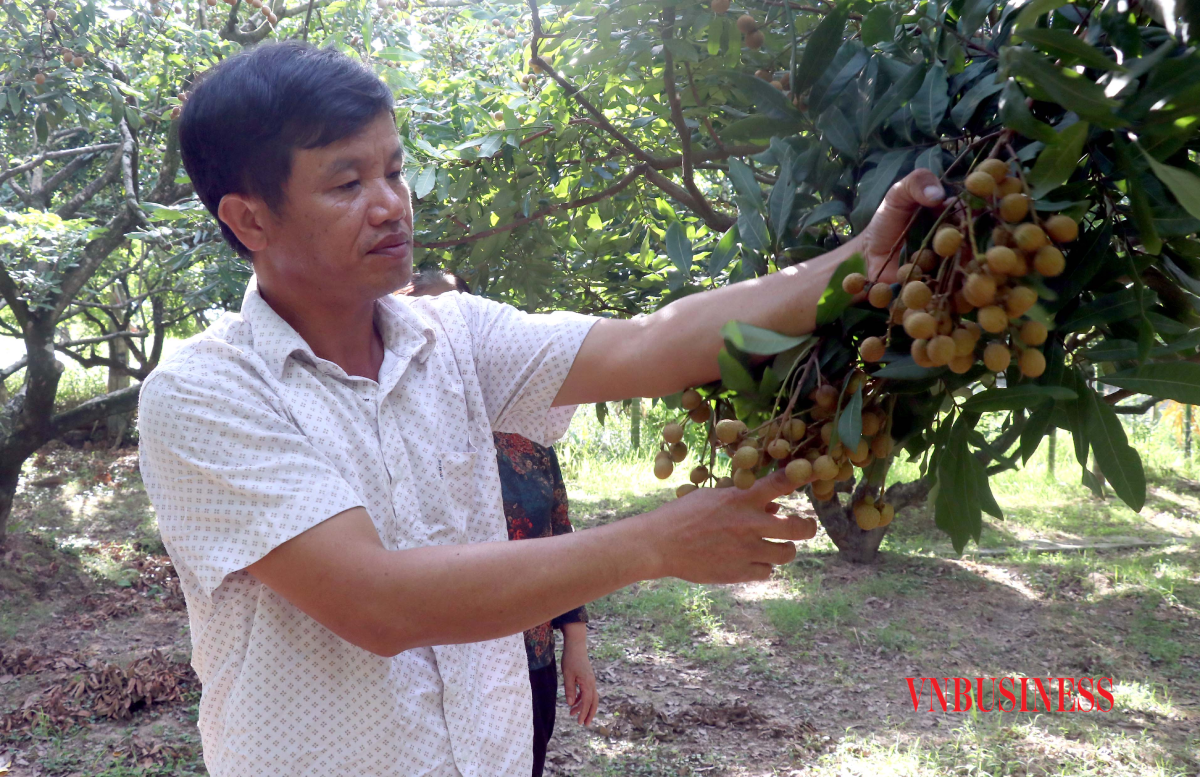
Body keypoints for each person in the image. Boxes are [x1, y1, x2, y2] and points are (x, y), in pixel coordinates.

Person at [137, 41, 944, 777]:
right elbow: (378, 602)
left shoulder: (451, 336)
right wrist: (658, 541)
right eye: (348, 183)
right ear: (249, 218)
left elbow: (647, 343)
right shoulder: (206, 391)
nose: (391, 204)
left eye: (395, 169)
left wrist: (857, 261)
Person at [406, 270, 597, 776]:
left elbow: (558, 534)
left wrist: (574, 647)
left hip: (529, 656)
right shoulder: (394, 439)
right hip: (432, 665)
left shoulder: (528, 436)